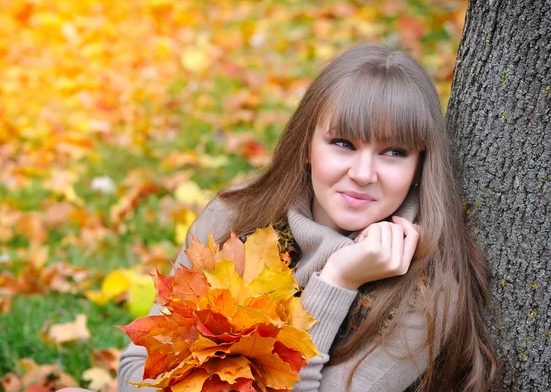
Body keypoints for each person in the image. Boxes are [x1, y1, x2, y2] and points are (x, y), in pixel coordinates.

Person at [63, 43, 497, 392]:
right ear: (307, 144)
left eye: (393, 152)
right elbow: (139, 371)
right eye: (343, 143)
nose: (363, 174)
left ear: (421, 165)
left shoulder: (426, 292)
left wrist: (336, 283)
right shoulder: (235, 217)